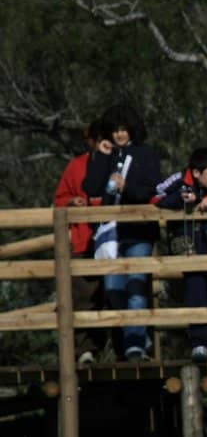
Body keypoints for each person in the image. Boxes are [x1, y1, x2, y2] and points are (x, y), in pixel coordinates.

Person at [82, 104, 162, 361]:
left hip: (139, 231)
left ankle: (135, 346)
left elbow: (151, 192)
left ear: (132, 130)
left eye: (124, 129)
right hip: (110, 233)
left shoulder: (146, 154)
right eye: (115, 130)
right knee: (114, 290)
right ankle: (137, 335)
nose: (119, 135)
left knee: (137, 288)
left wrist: (126, 186)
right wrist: (100, 155)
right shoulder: (107, 155)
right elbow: (92, 188)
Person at [153, 147, 207, 363]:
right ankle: (199, 343)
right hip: (190, 249)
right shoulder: (178, 180)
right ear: (195, 172)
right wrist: (181, 198)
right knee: (196, 292)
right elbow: (156, 197)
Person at [53, 119, 106, 365]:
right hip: (84, 241)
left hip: (116, 240)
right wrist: (72, 202)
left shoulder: (122, 163)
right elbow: (59, 199)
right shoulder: (76, 166)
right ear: (91, 141)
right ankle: (85, 351)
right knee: (84, 296)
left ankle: (125, 349)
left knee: (117, 296)